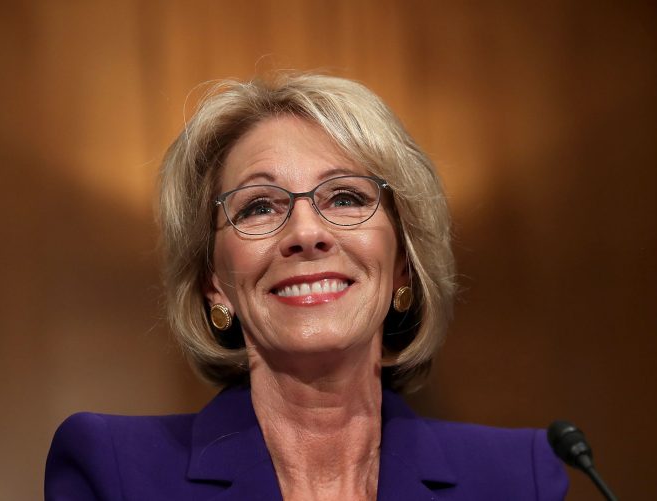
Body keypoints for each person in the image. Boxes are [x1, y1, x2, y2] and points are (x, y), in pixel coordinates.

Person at [45, 73, 568, 500]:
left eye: (344, 198)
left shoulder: (520, 478)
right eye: (258, 206)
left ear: (404, 264)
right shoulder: (116, 471)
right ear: (213, 284)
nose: (306, 234)